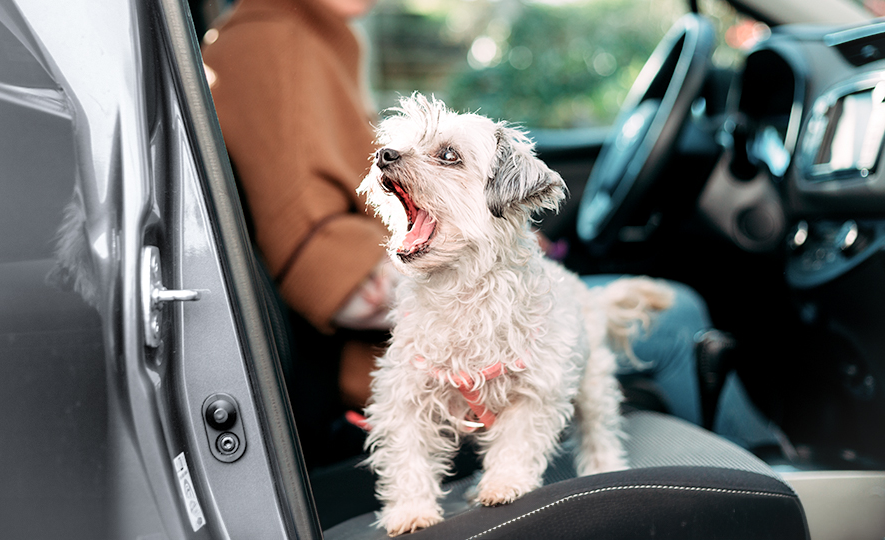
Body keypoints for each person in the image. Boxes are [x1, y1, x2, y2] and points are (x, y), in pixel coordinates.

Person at [201, 0, 780, 467]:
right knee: (676, 315)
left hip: (458, 302)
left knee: (637, 301)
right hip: (415, 349)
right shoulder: (273, 42)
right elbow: (318, 251)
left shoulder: (312, 35)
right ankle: (773, 478)